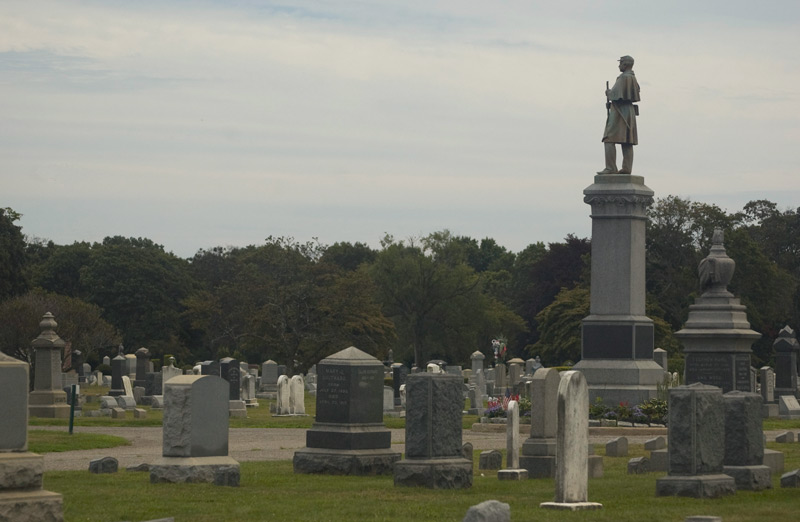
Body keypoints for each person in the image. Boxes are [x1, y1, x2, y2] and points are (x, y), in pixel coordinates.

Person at [598, 55, 640, 174]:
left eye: (620, 62)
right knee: (627, 141)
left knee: (608, 138)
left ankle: (610, 168)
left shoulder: (624, 78)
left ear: (625, 64)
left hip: (620, 112)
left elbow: (615, 95)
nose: (619, 65)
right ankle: (627, 168)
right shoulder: (632, 77)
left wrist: (608, 93)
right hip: (627, 111)